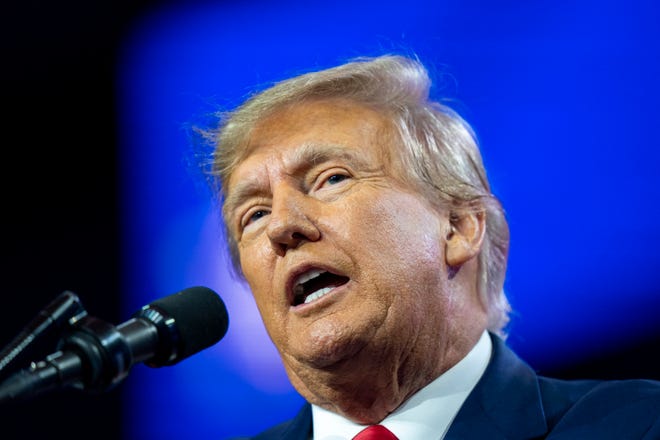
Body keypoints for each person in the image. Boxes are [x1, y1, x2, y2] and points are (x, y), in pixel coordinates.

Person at [196, 54, 660, 439]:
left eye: (331, 179)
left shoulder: (636, 425)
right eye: (253, 215)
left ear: (458, 227)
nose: (281, 226)